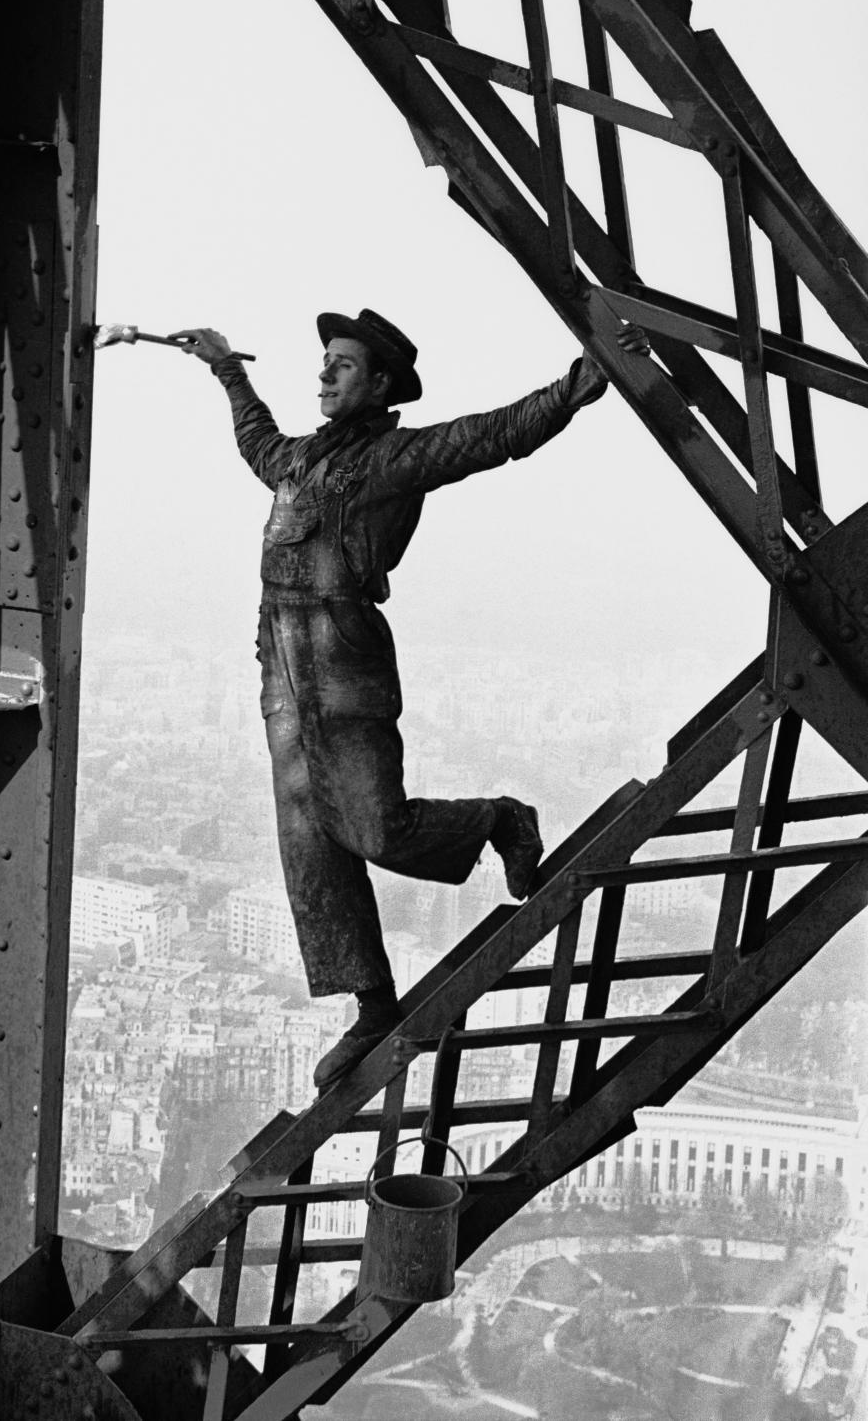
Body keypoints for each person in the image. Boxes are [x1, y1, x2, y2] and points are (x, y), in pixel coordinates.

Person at [176, 309, 649, 1089]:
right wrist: (225, 366)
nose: (325, 374)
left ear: (381, 384)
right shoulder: (297, 461)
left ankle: (500, 818)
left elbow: (491, 435)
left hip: (344, 670)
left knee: (376, 829)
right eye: (324, 361)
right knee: (311, 851)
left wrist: (576, 386)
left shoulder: (396, 459)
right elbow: (255, 439)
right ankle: (373, 1005)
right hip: (284, 679)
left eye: (344, 365)